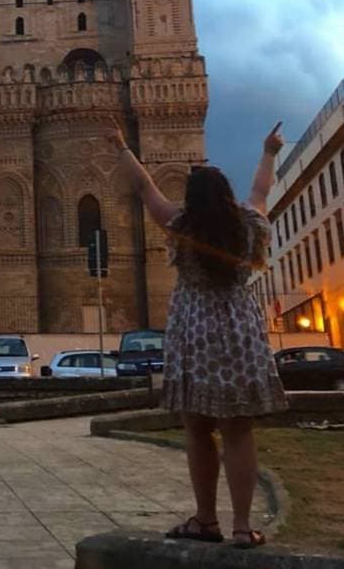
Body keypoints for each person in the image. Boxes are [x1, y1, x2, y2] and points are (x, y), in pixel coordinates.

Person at [110, 120, 288, 549]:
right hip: (238, 330)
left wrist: (120, 147)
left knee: (197, 428)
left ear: (192, 199)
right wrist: (268, 152)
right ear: (225, 194)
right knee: (238, 430)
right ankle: (243, 527)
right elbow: (262, 191)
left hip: (194, 331)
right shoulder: (249, 224)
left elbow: (145, 188)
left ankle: (206, 519)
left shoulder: (180, 223)